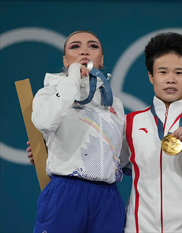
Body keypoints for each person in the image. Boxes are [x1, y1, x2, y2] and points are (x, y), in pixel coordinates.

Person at [120, 32, 182, 232]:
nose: (171, 80)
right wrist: (53, 151)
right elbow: (108, 166)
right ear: (151, 76)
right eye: (163, 72)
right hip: (138, 228)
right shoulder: (130, 122)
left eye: (179, 73)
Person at [30, 30, 125, 232]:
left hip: (108, 198)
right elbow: (45, 123)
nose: (84, 52)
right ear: (66, 60)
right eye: (75, 47)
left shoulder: (114, 103)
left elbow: (121, 157)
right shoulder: (48, 92)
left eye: (93, 46)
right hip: (66, 191)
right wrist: (73, 77)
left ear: (102, 59)